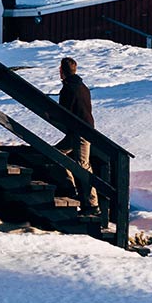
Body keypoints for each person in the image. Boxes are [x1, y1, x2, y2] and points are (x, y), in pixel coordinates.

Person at [56, 56, 100, 212]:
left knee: (83, 165)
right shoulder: (83, 87)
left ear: (61, 71)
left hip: (81, 132)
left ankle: (93, 204)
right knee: (57, 154)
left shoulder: (68, 88)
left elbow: (63, 112)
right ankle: (71, 188)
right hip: (82, 130)